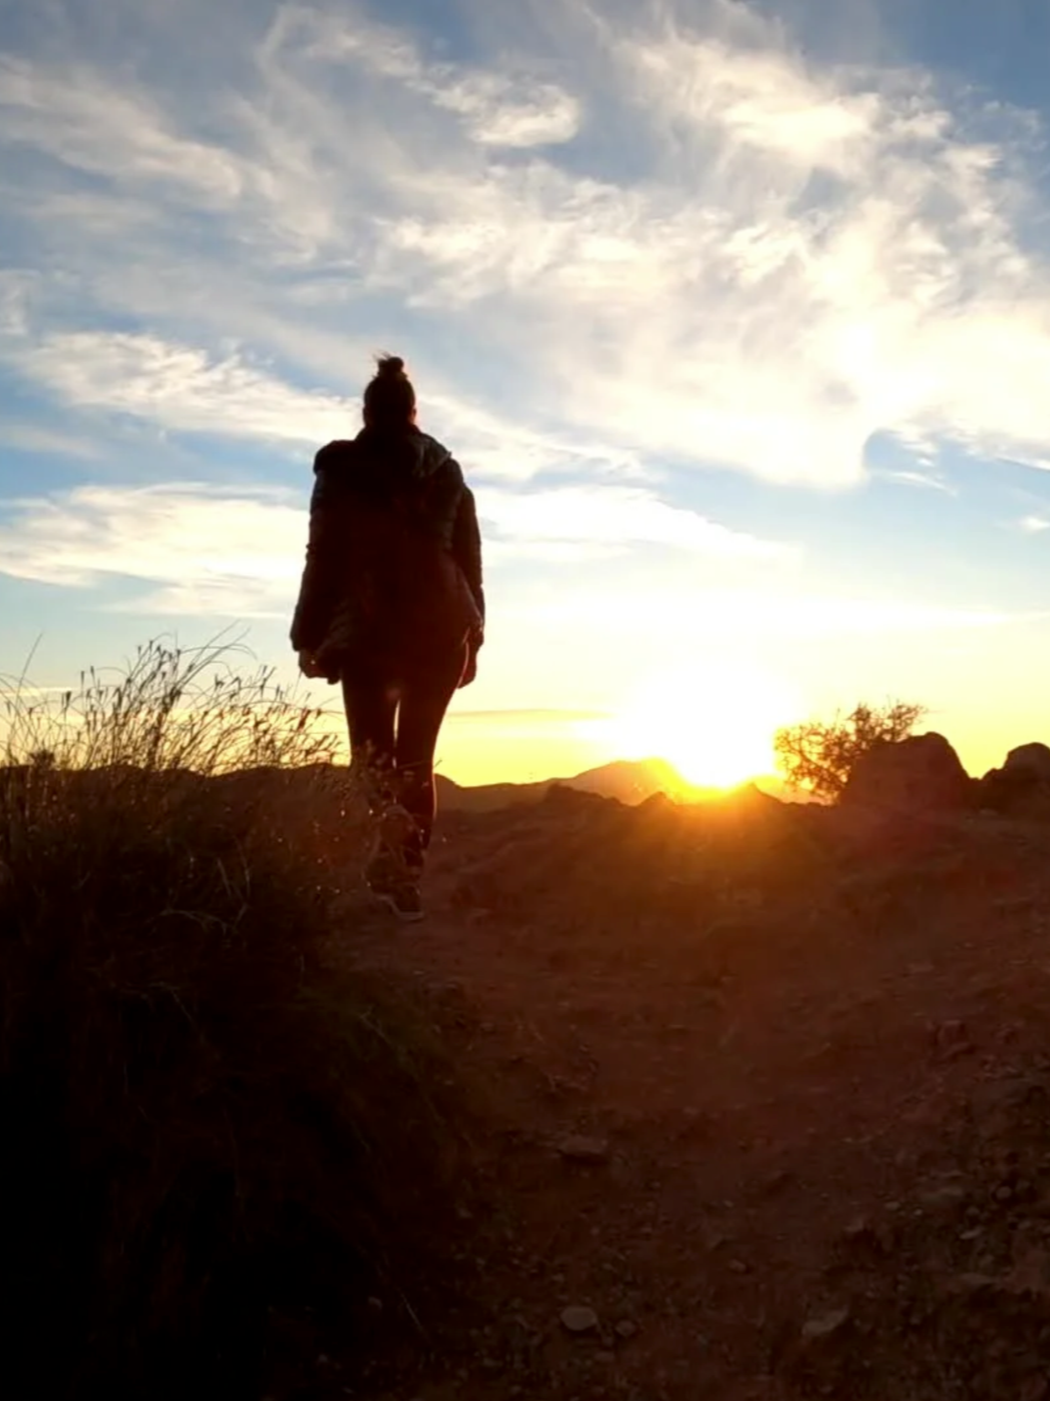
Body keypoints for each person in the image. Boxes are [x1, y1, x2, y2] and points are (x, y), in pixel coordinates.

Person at [290, 355, 485, 921]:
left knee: (373, 761)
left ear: (367, 412)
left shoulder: (343, 471)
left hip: (372, 630)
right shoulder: (447, 472)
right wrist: (475, 634)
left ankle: (388, 870)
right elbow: (469, 559)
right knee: (415, 763)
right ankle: (403, 877)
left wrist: (308, 633)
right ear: (412, 412)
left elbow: (323, 555)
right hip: (442, 630)